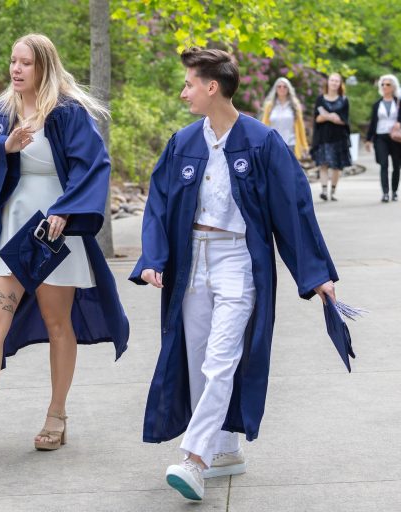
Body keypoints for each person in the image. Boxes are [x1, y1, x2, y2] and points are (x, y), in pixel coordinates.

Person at [130, 47, 340, 501]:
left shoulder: (262, 142)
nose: (183, 91)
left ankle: (195, 458)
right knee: (198, 358)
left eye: (189, 83)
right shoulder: (184, 142)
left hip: (237, 260)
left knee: (222, 357)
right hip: (192, 262)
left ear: (211, 87)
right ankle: (226, 449)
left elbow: (294, 209)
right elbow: (159, 204)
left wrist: (315, 272)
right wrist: (153, 257)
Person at [0, 34, 130, 460]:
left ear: (44, 66)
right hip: (10, 230)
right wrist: (4, 147)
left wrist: (67, 210)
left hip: (50, 234)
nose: (16, 69)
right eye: (12, 61)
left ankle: (56, 414)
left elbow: (92, 165)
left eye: (25, 63)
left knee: (57, 322)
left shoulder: (67, 114)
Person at [364, 74, 401, 202]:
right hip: (381, 137)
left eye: (388, 84)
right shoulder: (377, 104)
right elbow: (373, 122)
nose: (384, 86)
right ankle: (385, 193)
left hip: (395, 137)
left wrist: (400, 123)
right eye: (383, 84)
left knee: (397, 165)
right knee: (383, 164)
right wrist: (368, 140)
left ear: (393, 87)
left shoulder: (399, 103)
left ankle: (394, 191)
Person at [310, 73, 351, 201]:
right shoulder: (320, 99)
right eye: (332, 80)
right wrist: (329, 117)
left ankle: (332, 191)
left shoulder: (343, 100)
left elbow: (344, 120)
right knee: (323, 164)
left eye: (336, 81)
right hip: (323, 137)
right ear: (328, 82)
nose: (334, 83)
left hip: (339, 137)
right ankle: (323, 190)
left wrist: (333, 118)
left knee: (337, 166)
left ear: (340, 84)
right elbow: (317, 118)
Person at [261, 77, 309, 160]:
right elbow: (263, 126)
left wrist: (304, 145)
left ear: (288, 89)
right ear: (275, 89)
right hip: (273, 145)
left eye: (284, 86)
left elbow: (301, 127)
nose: (282, 88)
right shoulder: (269, 106)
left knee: (289, 172)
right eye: (279, 86)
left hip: (291, 144)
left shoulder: (295, 105)